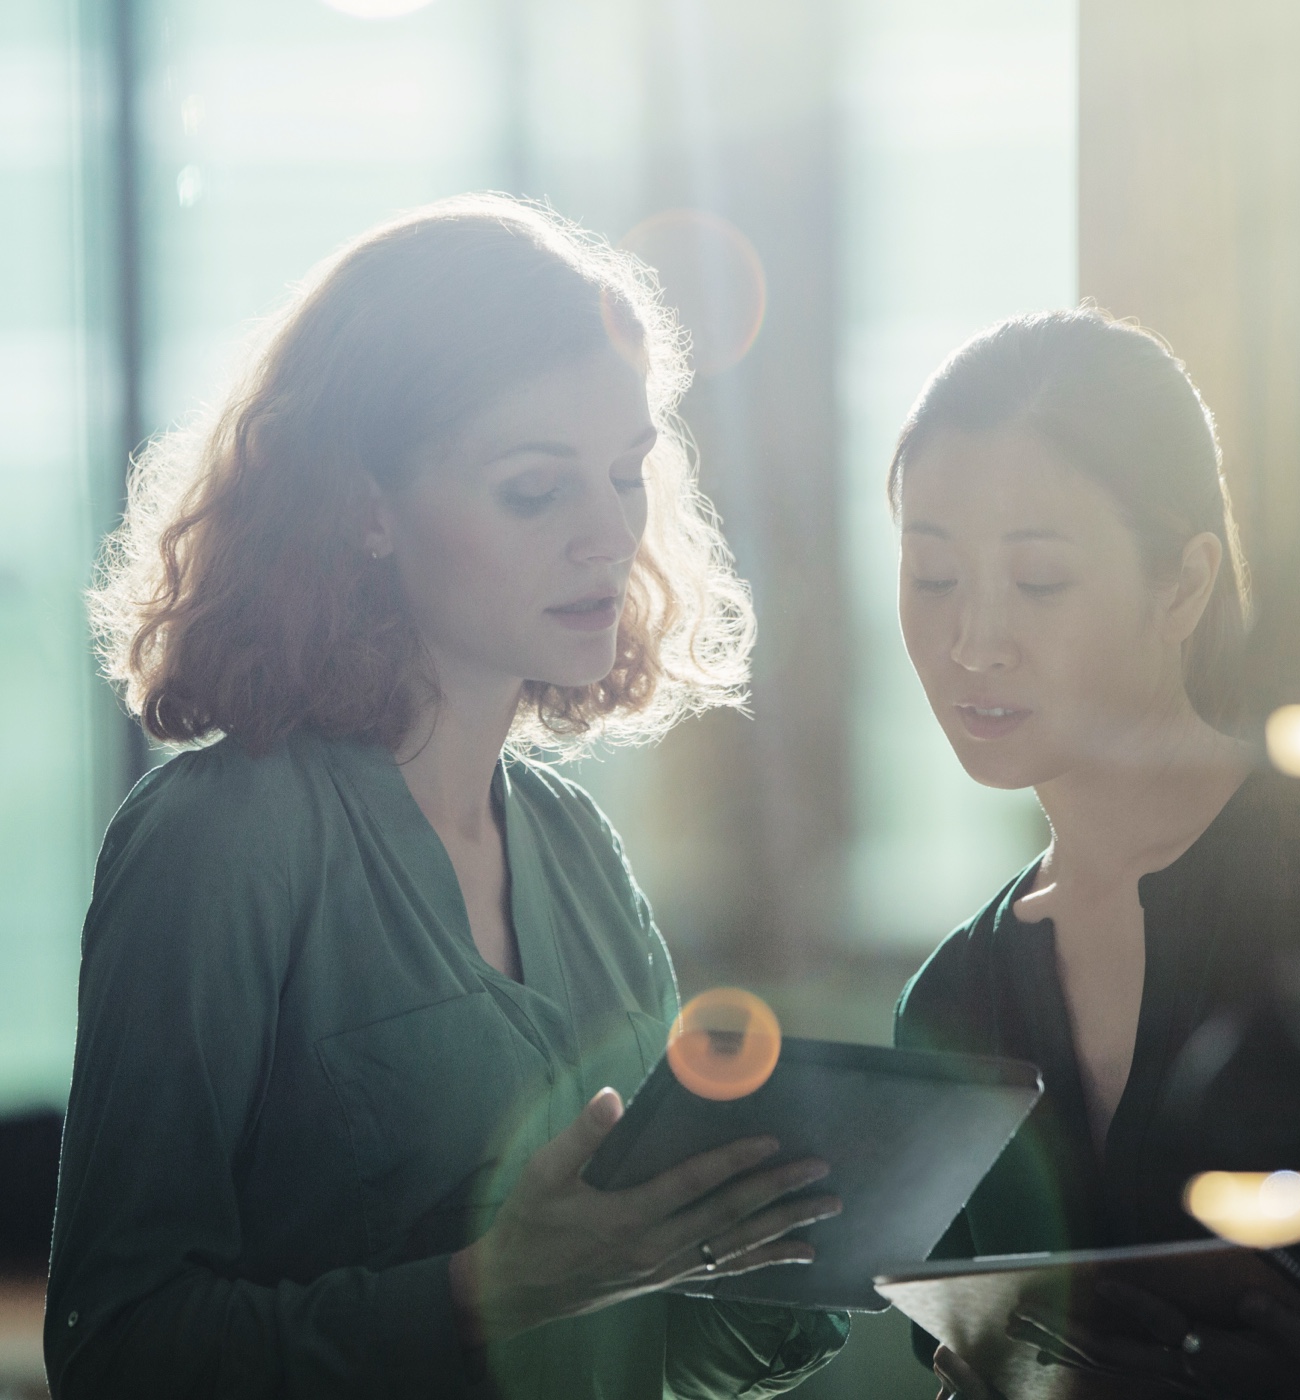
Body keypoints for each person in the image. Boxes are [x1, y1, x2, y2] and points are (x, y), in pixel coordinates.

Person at [45, 195, 847, 1400]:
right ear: (363, 507)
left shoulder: (575, 846)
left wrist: (797, 1248)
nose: (607, 536)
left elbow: (650, 1344)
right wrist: (488, 1291)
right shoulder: (217, 844)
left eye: (626, 476)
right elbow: (116, 1350)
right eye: (534, 491)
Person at [888, 308, 1300, 1398]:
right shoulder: (954, 995)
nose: (971, 639)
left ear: (1180, 582)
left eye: (1036, 581)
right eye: (931, 578)